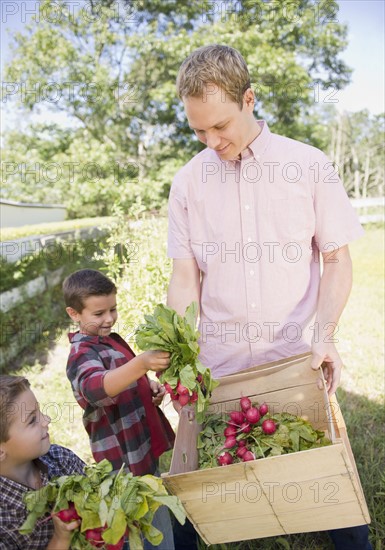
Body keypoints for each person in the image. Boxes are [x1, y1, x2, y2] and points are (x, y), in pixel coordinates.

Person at [167, 45, 371, 550]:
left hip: (294, 360)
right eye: (198, 130)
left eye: (219, 126)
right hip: (219, 365)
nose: (210, 141)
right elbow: (185, 277)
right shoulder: (187, 182)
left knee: (331, 491)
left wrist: (324, 337)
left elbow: (337, 260)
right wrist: (177, 355)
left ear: (249, 98)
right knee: (195, 495)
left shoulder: (308, 165)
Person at [63, 268, 176, 550]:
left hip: (144, 447)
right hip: (124, 462)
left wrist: (146, 386)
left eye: (113, 309)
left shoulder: (111, 340)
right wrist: (141, 364)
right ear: (74, 314)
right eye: (98, 314)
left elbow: (124, 378)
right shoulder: (81, 354)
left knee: (160, 511)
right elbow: (96, 387)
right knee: (146, 525)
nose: (109, 318)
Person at [0, 375, 85, 550]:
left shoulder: (61, 459)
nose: (46, 420)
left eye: (39, 411)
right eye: (32, 420)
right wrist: (60, 540)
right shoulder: (3, 519)